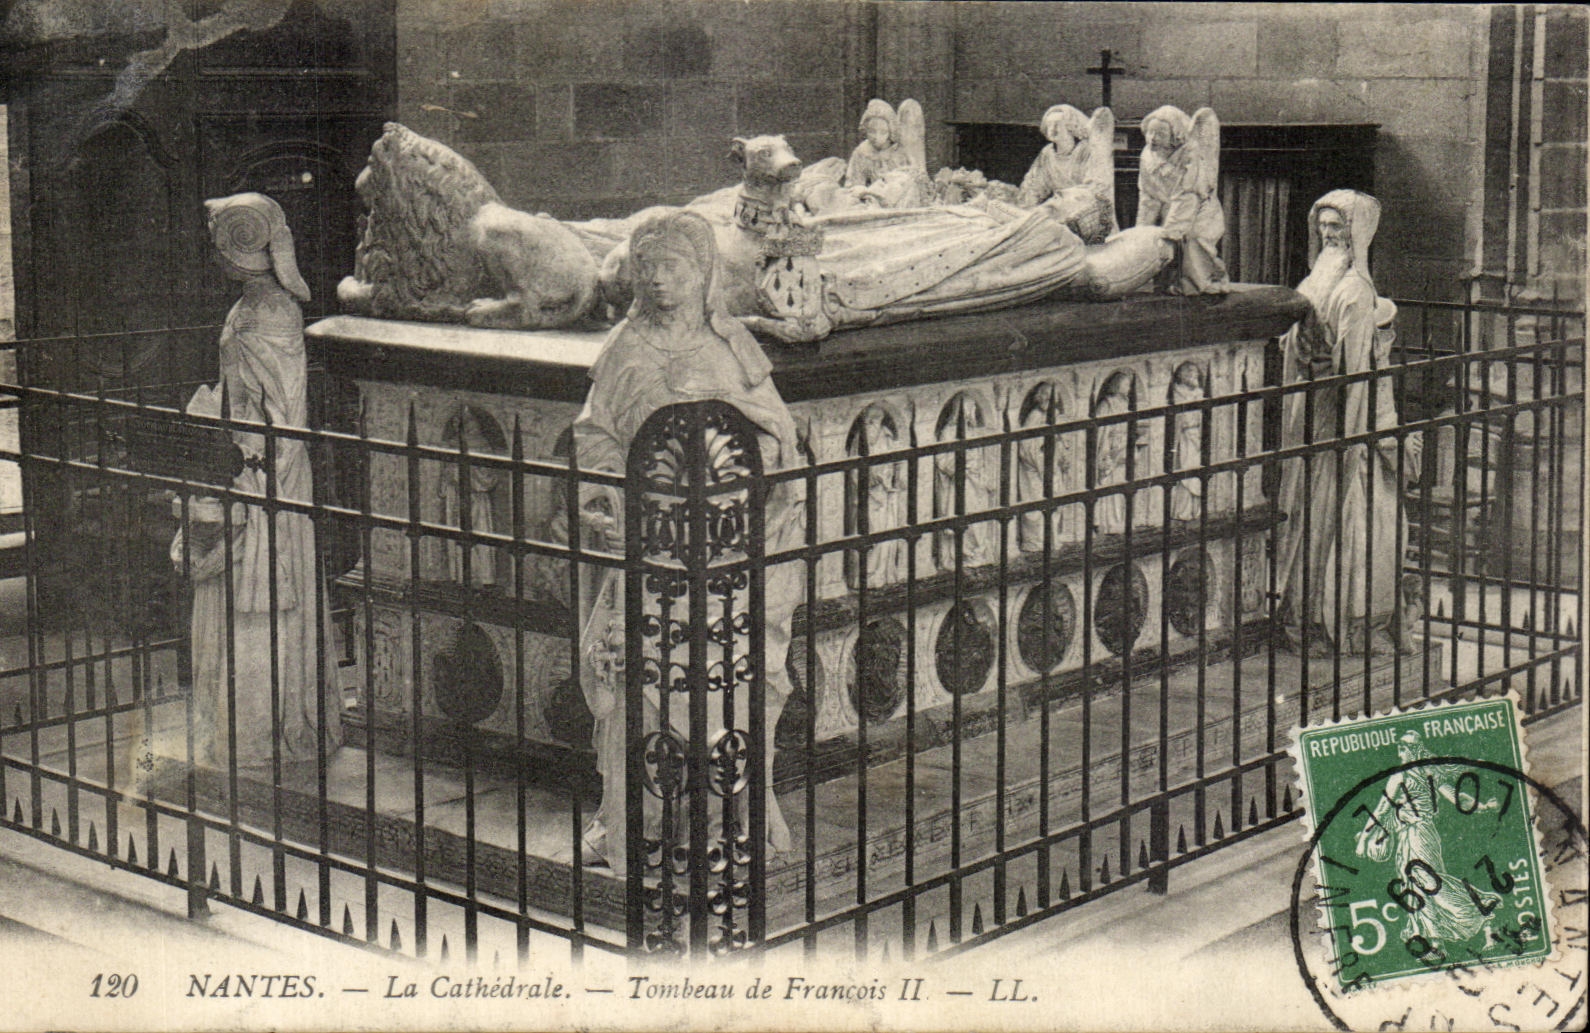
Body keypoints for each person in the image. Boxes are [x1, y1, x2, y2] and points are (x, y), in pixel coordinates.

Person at [571, 210, 802, 873]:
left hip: (722, 554)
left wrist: (730, 476)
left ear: (703, 276)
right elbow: (594, 438)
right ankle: (630, 818)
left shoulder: (731, 349)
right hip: (648, 549)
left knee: (721, 684)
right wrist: (608, 499)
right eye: (649, 267)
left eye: (674, 266)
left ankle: (724, 819)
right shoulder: (622, 350)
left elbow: (776, 438)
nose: (660, 279)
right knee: (636, 685)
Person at [171, 192, 339, 770]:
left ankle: (265, 730)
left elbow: (283, 418)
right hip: (234, 459)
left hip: (264, 472)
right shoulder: (245, 305)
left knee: (262, 605)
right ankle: (233, 728)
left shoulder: (272, 312)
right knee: (224, 598)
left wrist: (241, 464)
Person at [1276, 190, 1417, 657]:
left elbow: (1354, 371)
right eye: (1323, 227)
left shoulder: (1348, 289)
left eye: (1338, 227)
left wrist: (1352, 434)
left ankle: (1335, 619)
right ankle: (1317, 616)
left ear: (1359, 233)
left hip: (1337, 419)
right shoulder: (1325, 283)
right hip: (1325, 417)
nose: (1328, 235)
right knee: (1326, 513)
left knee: (1353, 519)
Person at [1354, 731, 1500, 948]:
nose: (1400, 751)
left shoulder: (1401, 776)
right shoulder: (1428, 773)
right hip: (1425, 833)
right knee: (1418, 883)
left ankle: (1477, 906)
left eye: (1403, 747)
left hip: (1414, 834)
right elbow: (1456, 797)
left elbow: (1381, 809)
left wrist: (1363, 839)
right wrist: (1481, 806)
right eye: (1401, 747)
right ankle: (1434, 937)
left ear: (1410, 750)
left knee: (1424, 880)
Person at [1137, 105, 1230, 295]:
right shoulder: (1147, 156)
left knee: (1194, 242)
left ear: (1175, 135)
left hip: (1200, 210)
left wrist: (1171, 233)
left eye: (1160, 133)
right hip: (1170, 211)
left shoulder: (1191, 153)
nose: (1152, 138)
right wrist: (1142, 230)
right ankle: (1165, 285)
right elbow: (1148, 196)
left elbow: (1187, 196)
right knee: (1156, 245)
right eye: (1150, 132)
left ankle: (1204, 284)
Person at [1018, 104, 1118, 244]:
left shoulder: (1087, 150)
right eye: (1049, 125)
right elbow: (1034, 185)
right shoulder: (1047, 154)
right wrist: (1026, 211)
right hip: (1059, 218)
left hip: (1089, 220)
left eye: (1057, 125)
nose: (1052, 129)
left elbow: (1095, 188)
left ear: (1071, 127)